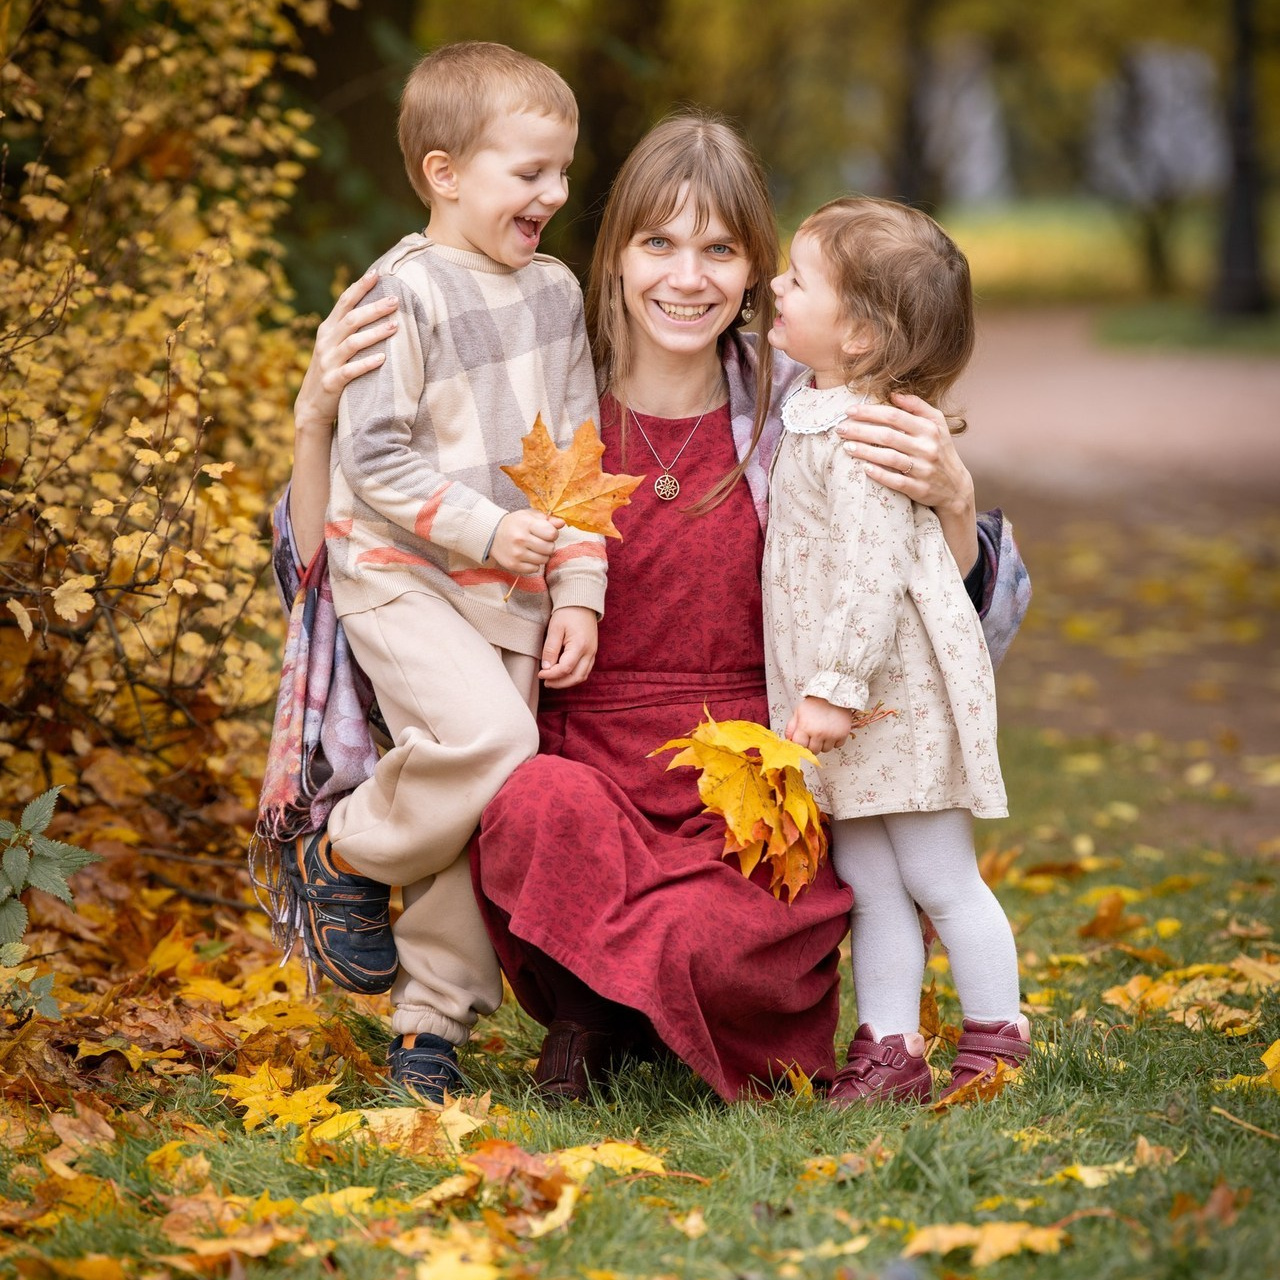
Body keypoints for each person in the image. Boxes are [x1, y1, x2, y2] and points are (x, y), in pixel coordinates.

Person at [285, 111, 1029, 1104]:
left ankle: (624, 1009)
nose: (686, 277)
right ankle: (604, 1008)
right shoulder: (537, 394)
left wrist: (952, 502)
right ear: (616, 252)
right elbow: (338, 567)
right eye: (657, 243)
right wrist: (315, 420)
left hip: (747, 780)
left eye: (719, 249)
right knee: (529, 805)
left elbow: (935, 617)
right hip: (586, 764)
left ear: (759, 268)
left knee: (730, 933)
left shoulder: (803, 408)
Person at [275, 41, 608, 1101]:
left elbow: (579, 458)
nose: (553, 193)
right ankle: (342, 852)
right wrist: (478, 527)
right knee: (490, 741)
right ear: (443, 172)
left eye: (561, 171)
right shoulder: (396, 294)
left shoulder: (554, 293)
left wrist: (578, 586)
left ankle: (429, 1034)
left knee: (483, 799)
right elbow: (371, 458)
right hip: (405, 571)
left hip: (507, 588)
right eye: (530, 172)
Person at [762, 197, 1028, 1106]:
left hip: (892, 700)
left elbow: (874, 574)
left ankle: (998, 1036)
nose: (774, 288)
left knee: (940, 876)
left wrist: (832, 687)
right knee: (870, 878)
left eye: (798, 281)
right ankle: (889, 1046)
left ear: (864, 337)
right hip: (851, 708)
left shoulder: (868, 432)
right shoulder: (818, 401)